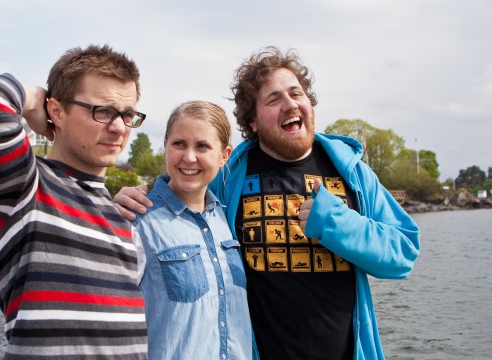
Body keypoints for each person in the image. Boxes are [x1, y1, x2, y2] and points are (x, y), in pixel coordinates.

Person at [114, 46, 420, 360]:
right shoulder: (230, 174)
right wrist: (127, 201)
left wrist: (339, 225)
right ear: (254, 120)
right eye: (274, 99)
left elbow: (403, 255)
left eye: (296, 94)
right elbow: (185, 190)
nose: (290, 104)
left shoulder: (351, 171)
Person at [0, 44, 148, 359]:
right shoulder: (27, 186)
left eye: (128, 114)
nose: (120, 127)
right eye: (103, 110)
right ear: (56, 111)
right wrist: (32, 101)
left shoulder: (117, 215)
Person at [133, 101, 251, 359]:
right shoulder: (139, 222)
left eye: (202, 146)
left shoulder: (225, 220)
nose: (189, 157)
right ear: (165, 145)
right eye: (179, 144)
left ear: (224, 156)